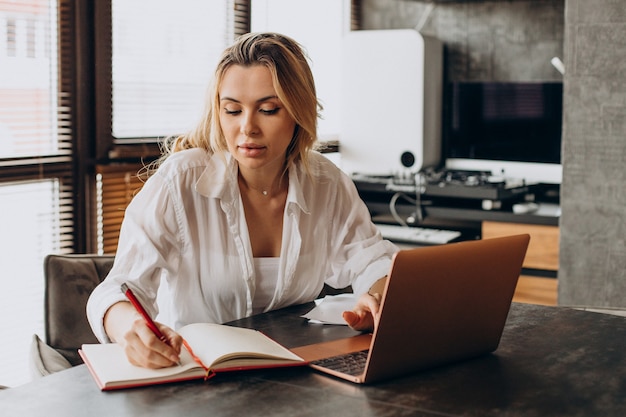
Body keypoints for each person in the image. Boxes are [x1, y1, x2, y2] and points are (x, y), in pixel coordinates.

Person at [86, 32, 398, 369]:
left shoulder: (326, 182)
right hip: (201, 376)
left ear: (297, 112)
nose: (247, 128)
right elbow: (116, 289)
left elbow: (372, 261)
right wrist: (130, 329)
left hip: (294, 371)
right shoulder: (181, 181)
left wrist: (376, 299)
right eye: (232, 110)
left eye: (268, 109)